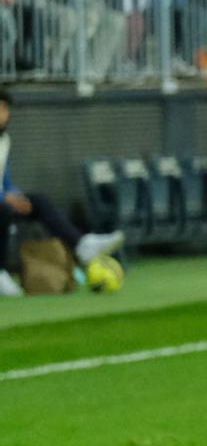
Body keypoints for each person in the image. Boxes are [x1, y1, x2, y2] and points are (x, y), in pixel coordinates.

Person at [0, 88, 124, 296]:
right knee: (2, 210)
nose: (3, 114)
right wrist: (5, 198)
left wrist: (15, 194)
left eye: (4, 109)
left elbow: (5, 179)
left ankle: (82, 245)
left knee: (38, 201)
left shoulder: (4, 141)